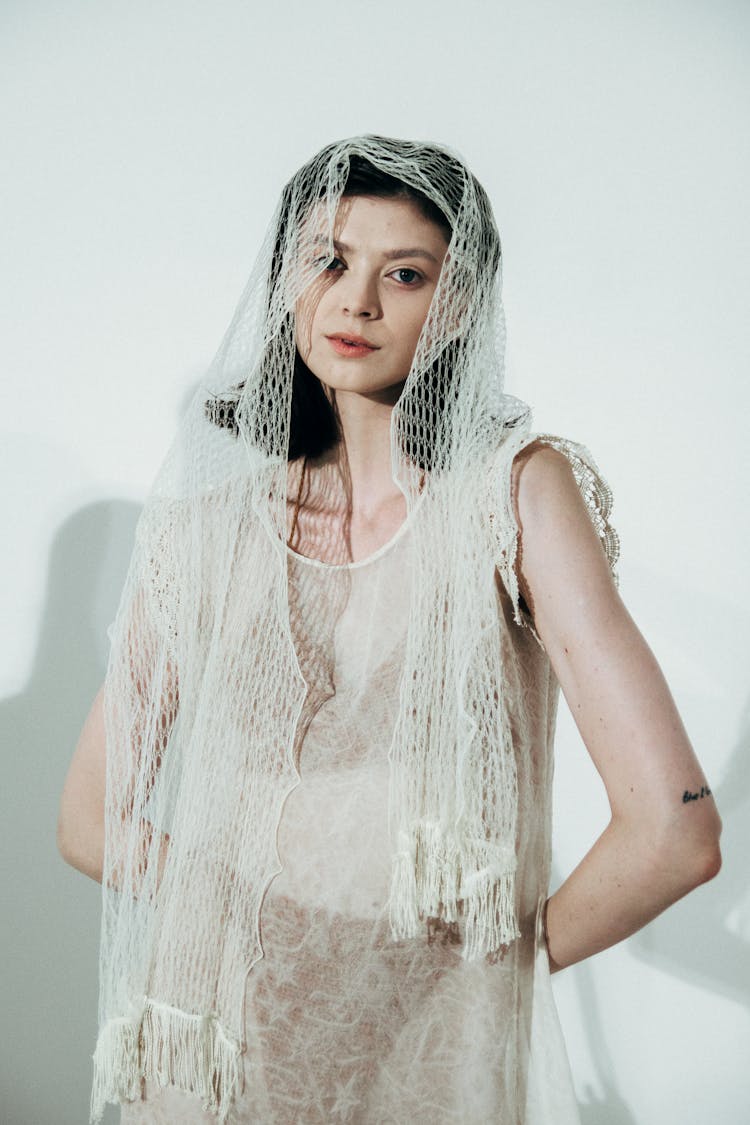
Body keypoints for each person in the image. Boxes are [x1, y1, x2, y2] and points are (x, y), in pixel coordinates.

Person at [57, 135, 722, 1125]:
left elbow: (675, 834)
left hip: (430, 1059)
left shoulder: (514, 500)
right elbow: (88, 821)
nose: (356, 301)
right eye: (327, 258)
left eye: (403, 273)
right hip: (224, 1046)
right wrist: (268, 935)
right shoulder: (202, 537)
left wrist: (477, 977)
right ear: (286, 280)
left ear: (455, 307)